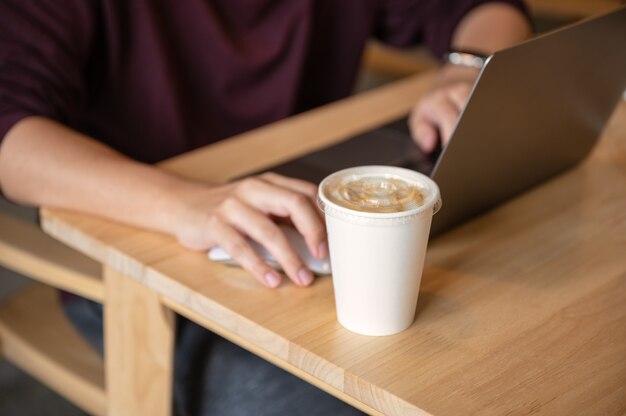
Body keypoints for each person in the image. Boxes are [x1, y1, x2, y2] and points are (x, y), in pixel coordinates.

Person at [0, 1, 531, 414]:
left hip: (307, 233)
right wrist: (186, 202)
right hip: (140, 254)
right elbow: (12, 137)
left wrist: (466, 72)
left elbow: (488, 9)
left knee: (500, 364)